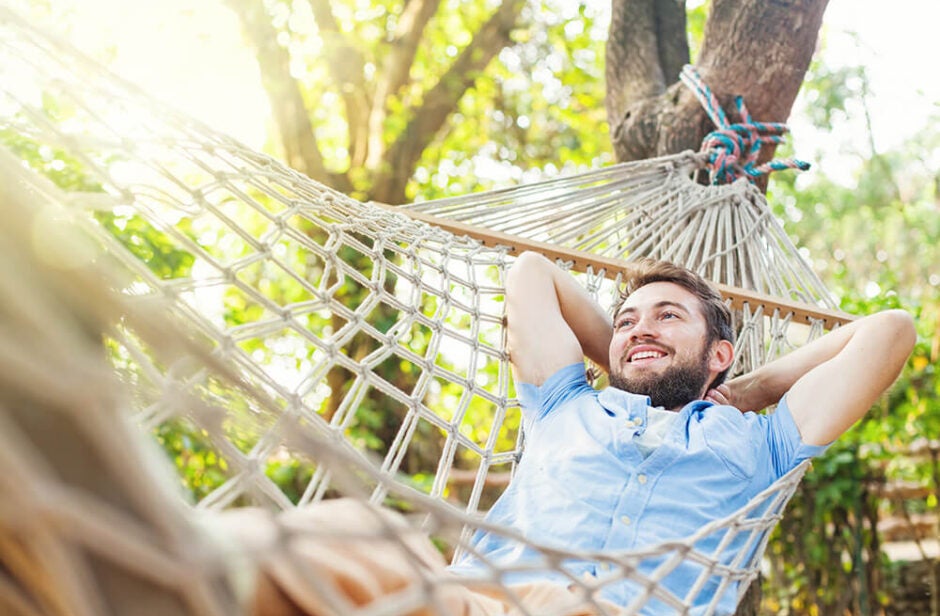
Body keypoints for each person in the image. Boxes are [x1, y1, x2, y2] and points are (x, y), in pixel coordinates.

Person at [445, 251, 916, 613]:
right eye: (626, 321)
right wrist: (631, 349)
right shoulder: (563, 403)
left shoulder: (762, 445)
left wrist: (746, 391)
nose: (640, 328)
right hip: (487, 603)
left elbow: (890, 331)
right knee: (373, 536)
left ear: (720, 355)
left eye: (668, 316)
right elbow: (531, 272)